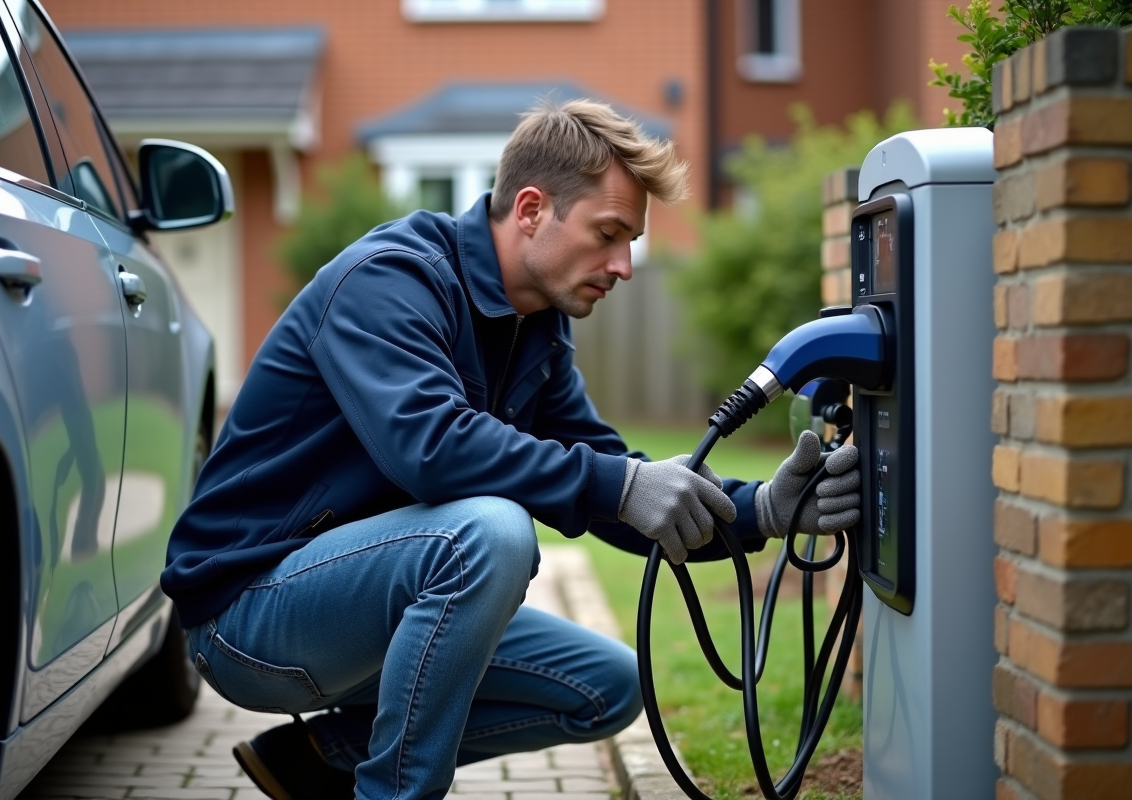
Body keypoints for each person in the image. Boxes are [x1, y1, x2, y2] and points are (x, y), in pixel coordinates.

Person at [161, 99, 861, 800]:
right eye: (609, 234)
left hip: (373, 612)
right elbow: (430, 446)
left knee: (605, 687)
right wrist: (616, 483)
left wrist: (764, 510)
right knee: (489, 534)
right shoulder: (388, 280)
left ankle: (322, 757)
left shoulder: (539, 330)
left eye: (631, 243)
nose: (623, 265)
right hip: (250, 614)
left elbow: (611, 481)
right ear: (531, 209)